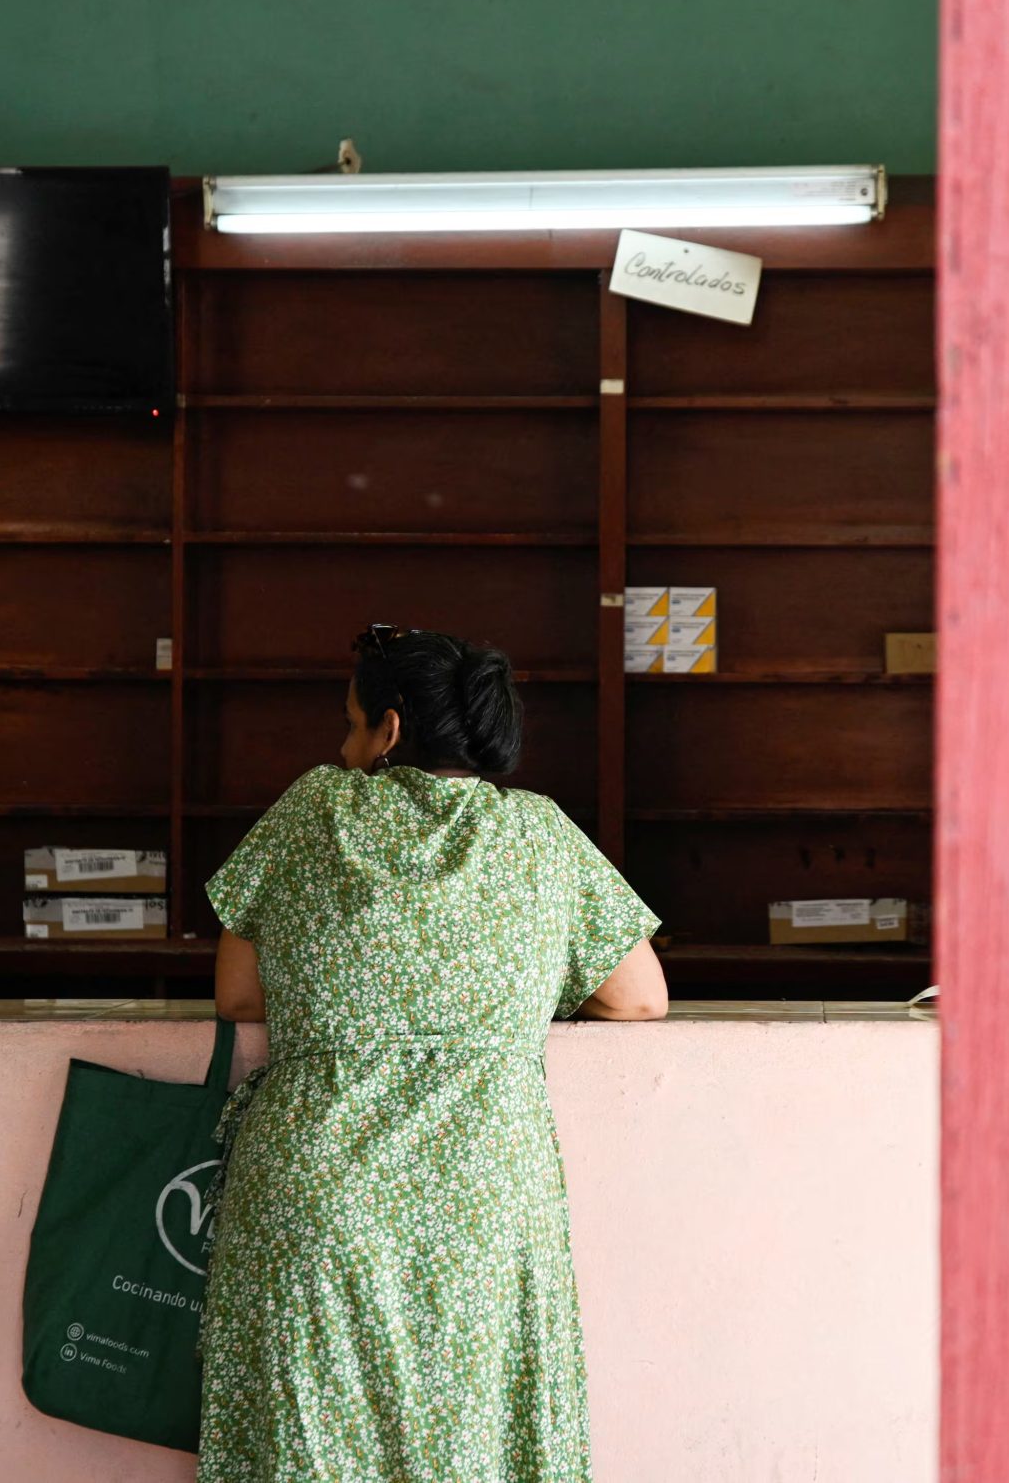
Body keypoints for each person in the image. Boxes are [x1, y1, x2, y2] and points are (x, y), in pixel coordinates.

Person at [198, 623, 668, 1482]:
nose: (343, 750)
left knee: (308, 1452)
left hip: (318, 1195)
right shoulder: (539, 834)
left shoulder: (314, 810)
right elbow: (638, 996)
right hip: (483, 1203)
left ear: (391, 730)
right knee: (477, 1447)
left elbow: (237, 994)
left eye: (350, 726)